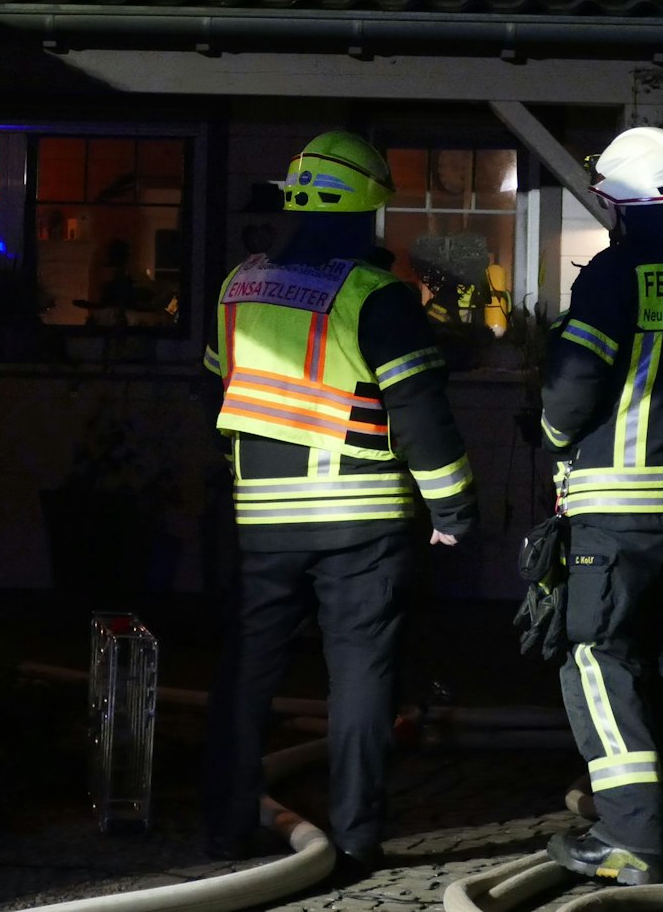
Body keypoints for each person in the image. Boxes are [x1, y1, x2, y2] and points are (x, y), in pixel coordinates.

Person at [200, 131, 479, 880]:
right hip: (363, 520)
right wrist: (454, 512)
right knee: (358, 675)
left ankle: (226, 824)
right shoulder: (376, 298)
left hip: (263, 518)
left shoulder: (239, 286)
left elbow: (219, 388)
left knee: (248, 669)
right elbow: (421, 414)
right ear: (368, 205)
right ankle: (355, 840)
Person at [538, 126, 663, 886]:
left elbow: (573, 385)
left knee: (597, 654)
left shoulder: (617, 272)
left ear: (629, 200)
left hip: (613, 503)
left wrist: (552, 431)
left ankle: (629, 839)